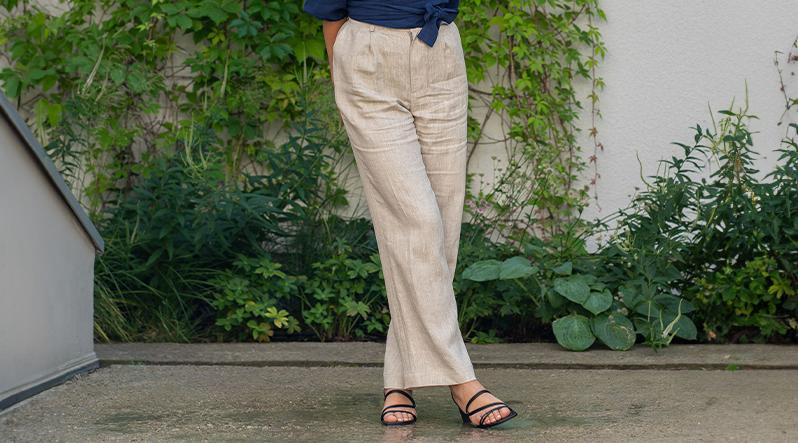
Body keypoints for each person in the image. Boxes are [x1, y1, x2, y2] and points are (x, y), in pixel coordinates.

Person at [302, 0, 517, 429]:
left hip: (440, 56)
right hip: (368, 60)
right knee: (416, 220)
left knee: (441, 229)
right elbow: (330, 12)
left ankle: (399, 380)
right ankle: (462, 380)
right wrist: (343, 71)